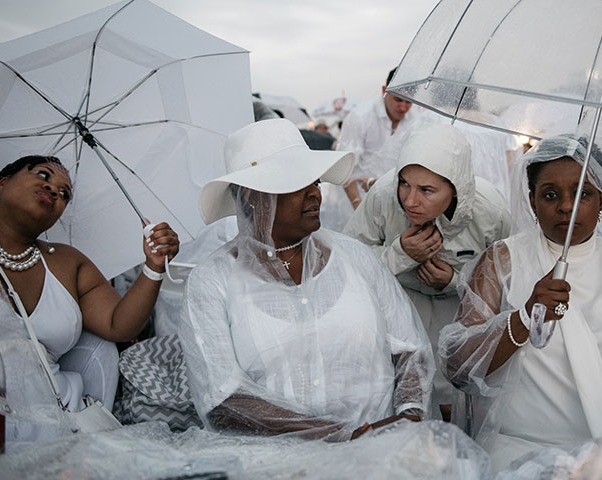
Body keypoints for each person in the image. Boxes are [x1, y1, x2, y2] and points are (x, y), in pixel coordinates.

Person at [179, 118, 436, 441]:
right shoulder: (211, 283)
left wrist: (407, 419)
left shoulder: (355, 258)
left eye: (314, 182)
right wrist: (340, 435)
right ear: (252, 196)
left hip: (383, 455)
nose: (315, 194)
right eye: (298, 184)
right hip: (274, 467)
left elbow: (411, 351)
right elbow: (222, 400)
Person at [438, 134, 602, 472]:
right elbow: (457, 365)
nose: (566, 206)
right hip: (521, 455)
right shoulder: (502, 261)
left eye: (582, 193)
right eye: (550, 195)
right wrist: (524, 317)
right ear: (532, 201)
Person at [0, 155, 179, 443]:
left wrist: (153, 266)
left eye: (64, 194)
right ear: (2, 183)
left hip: (61, 421)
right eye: (43, 175)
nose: (54, 190)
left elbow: (119, 325)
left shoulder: (67, 262)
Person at [343, 124, 511, 420]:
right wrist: (399, 254)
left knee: (456, 408)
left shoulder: (489, 211)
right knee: (402, 404)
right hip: (397, 313)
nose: (410, 200)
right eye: (405, 183)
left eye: (427, 190)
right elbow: (347, 262)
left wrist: (455, 282)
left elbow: (508, 282)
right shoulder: (383, 196)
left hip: (460, 320)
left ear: (456, 187)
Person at [337, 68, 422, 211]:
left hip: (393, 201)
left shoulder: (415, 119)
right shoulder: (361, 117)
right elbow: (344, 168)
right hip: (355, 198)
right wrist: (357, 204)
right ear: (385, 90)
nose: (403, 107)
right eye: (398, 99)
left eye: (408, 102)